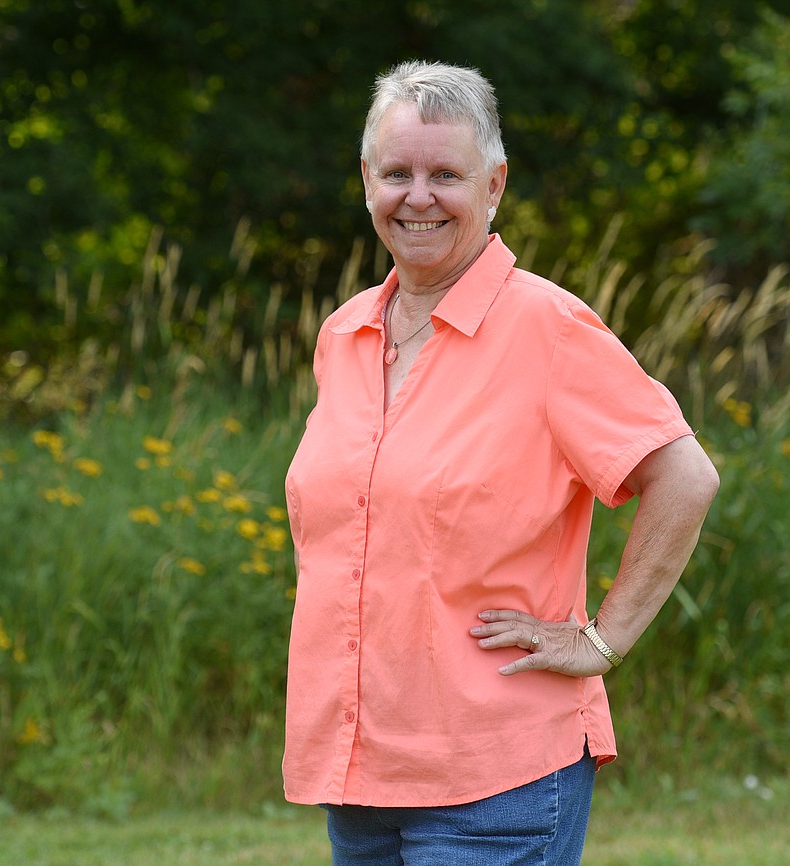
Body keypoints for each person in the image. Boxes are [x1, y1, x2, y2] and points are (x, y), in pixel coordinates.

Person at [282, 60, 720, 866]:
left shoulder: (547, 328)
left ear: (494, 185)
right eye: (397, 173)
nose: (419, 196)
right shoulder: (345, 336)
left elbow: (685, 476)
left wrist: (603, 640)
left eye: (446, 174)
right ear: (366, 182)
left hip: (498, 777)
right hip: (362, 775)